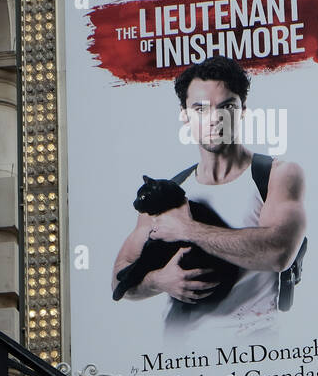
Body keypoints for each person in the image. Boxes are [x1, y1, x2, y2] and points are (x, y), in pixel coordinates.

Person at [110, 56, 306, 336]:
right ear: (184, 115)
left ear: (243, 110)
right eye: (200, 108)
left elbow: (278, 253)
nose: (215, 119)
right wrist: (158, 280)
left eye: (226, 106)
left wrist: (187, 229)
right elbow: (121, 276)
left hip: (261, 358)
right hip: (180, 361)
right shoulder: (170, 191)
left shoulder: (276, 175)